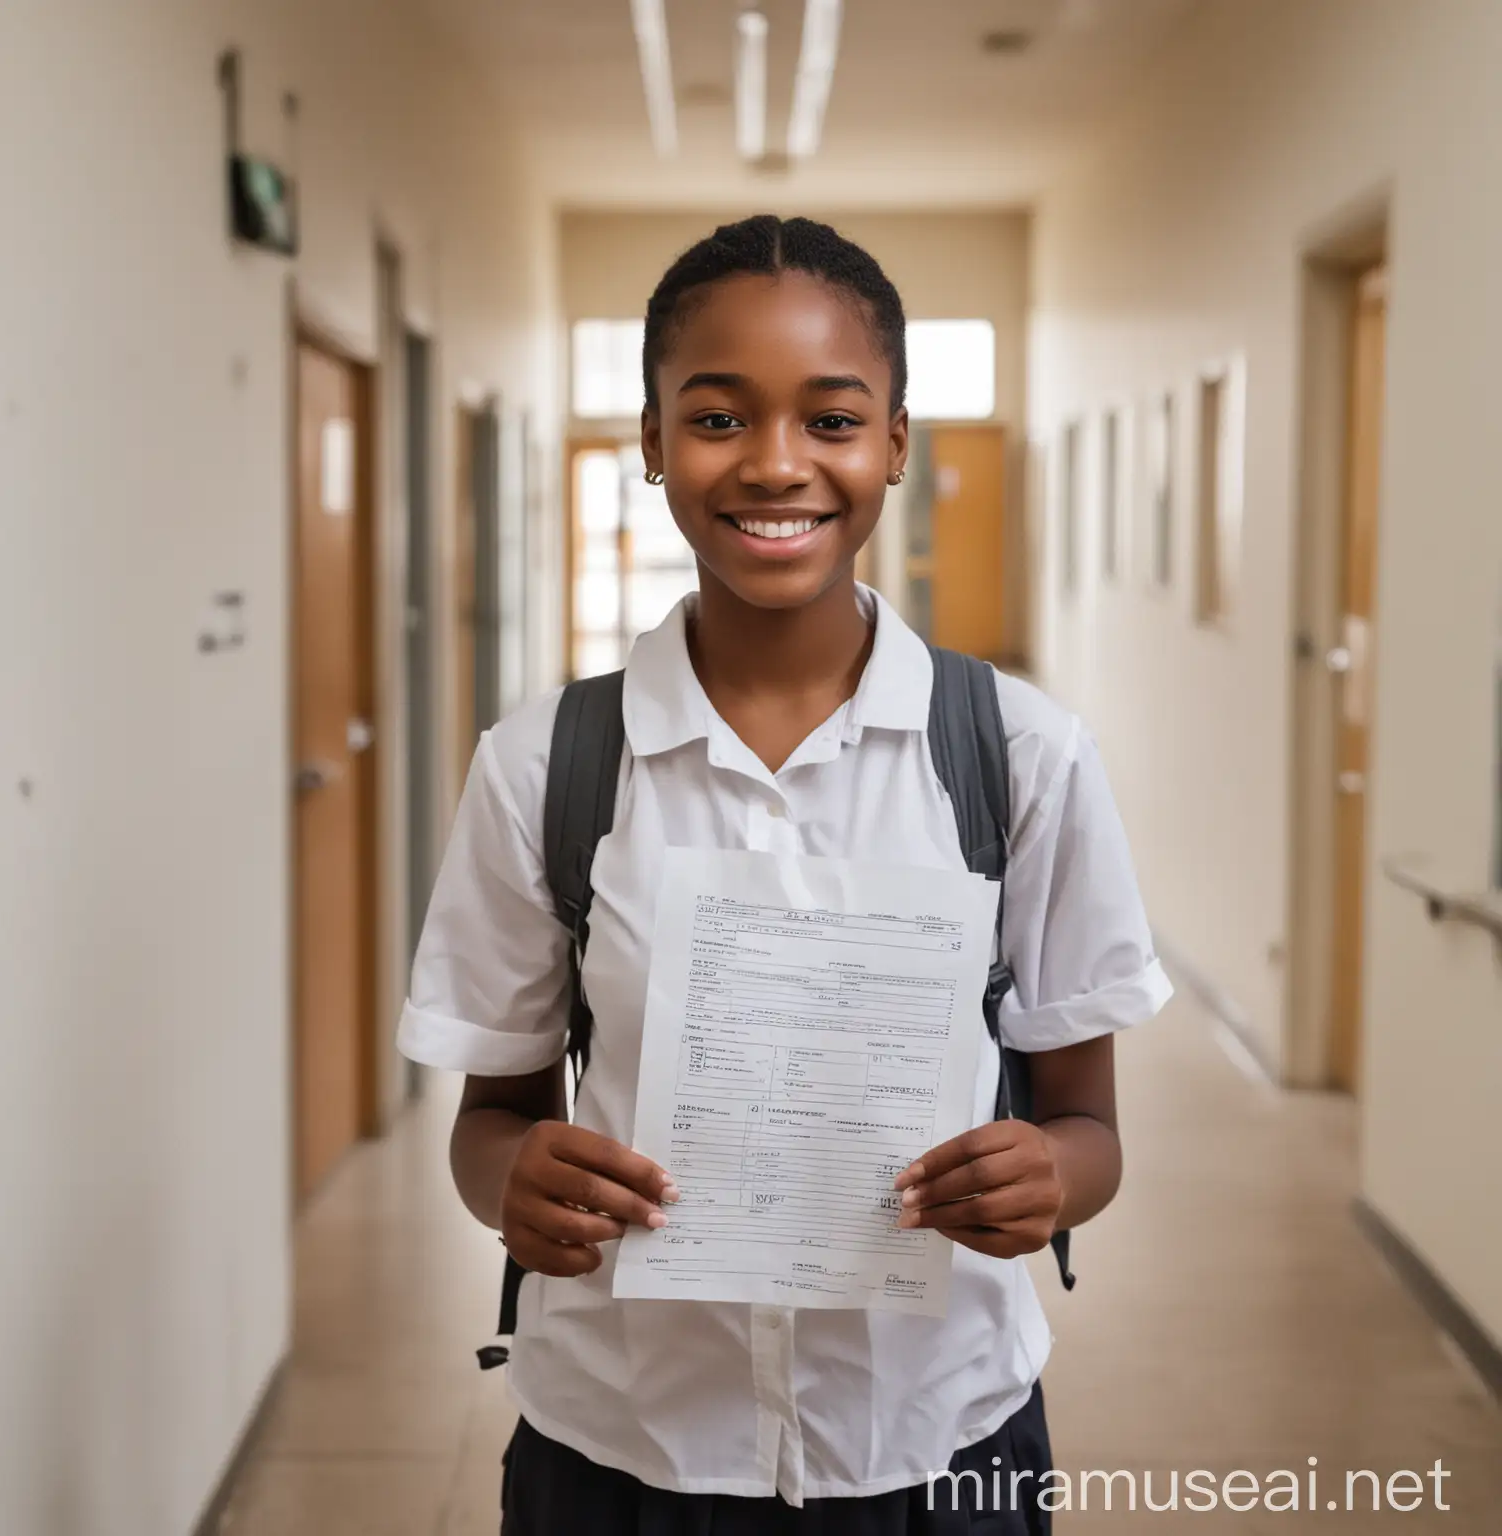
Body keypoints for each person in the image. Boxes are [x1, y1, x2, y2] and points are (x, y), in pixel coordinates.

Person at [398, 215, 1172, 1533]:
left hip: (938, 1445)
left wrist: (1047, 1179)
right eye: (715, 418)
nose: (775, 465)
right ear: (650, 443)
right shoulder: (547, 767)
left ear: (895, 445)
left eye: (830, 419)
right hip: (624, 1451)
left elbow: (1088, 1131)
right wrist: (512, 1184)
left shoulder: (1020, 758)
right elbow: (497, 1116)